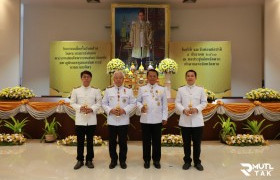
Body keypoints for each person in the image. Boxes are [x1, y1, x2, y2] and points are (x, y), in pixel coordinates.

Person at [102, 71, 136, 169]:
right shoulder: (108, 90)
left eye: (120, 78)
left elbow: (133, 103)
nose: (118, 80)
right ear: (113, 79)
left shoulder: (128, 90)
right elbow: (104, 103)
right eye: (116, 78)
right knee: (112, 142)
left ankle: (122, 160)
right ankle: (113, 160)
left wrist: (124, 110)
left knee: (123, 142)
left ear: (123, 79)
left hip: (123, 121)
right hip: (112, 120)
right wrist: (110, 110)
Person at [175, 70, 207, 171]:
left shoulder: (201, 89)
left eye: (192, 76)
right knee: (186, 143)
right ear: (185, 78)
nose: (190, 78)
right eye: (188, 76)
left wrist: (196, 109)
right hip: (185, 120)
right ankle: (187, 161)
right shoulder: (181, 90)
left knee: (197, 143)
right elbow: (177, 103)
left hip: (197, 121)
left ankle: (197, 162)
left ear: (195, 78)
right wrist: (183, 110)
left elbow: (204, 102)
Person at [70, 70, 102, 170]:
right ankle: (80, 160)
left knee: (90, 141)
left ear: (91, 78)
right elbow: (72, 103)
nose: (86, 78)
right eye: (84, 77)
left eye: (88, 77)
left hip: (91, 119)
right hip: (80, 120)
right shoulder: (76, 90)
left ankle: (89, 160)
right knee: (80, 141)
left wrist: (91, 109)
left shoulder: (96, 90)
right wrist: (80, 108)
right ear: (81, 78)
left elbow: (99, 103)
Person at [137, 69, 168, 169]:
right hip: (145, 119)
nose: (152, 78)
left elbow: (165, 105)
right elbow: (137, 102)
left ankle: (156, 160)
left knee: (156, 141)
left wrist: (164, 117)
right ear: (147, 77)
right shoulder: (142, 89)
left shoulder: (162, 89)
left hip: (157, 119)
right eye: (150, 76)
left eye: (154, 76)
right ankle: (146, 160)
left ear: (157, 77)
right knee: (146, 141)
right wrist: (140, 107)